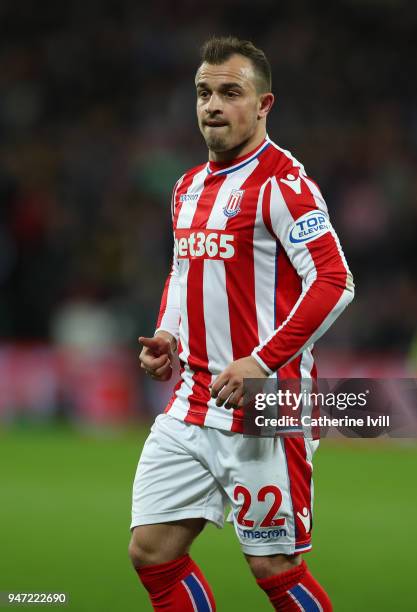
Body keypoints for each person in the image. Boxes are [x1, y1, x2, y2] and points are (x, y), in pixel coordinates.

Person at [129, 35, 354, 611]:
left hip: (265, 403)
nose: (212, 106)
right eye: (204, 92)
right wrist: (169, 336)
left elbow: (334, 281)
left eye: (231, 92)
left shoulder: (284, 183)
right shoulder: (185, 188)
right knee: (151, 551)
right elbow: (183, 273)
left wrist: (262, 359)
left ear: (263, 105)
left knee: (273, 567)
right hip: (192, 399)